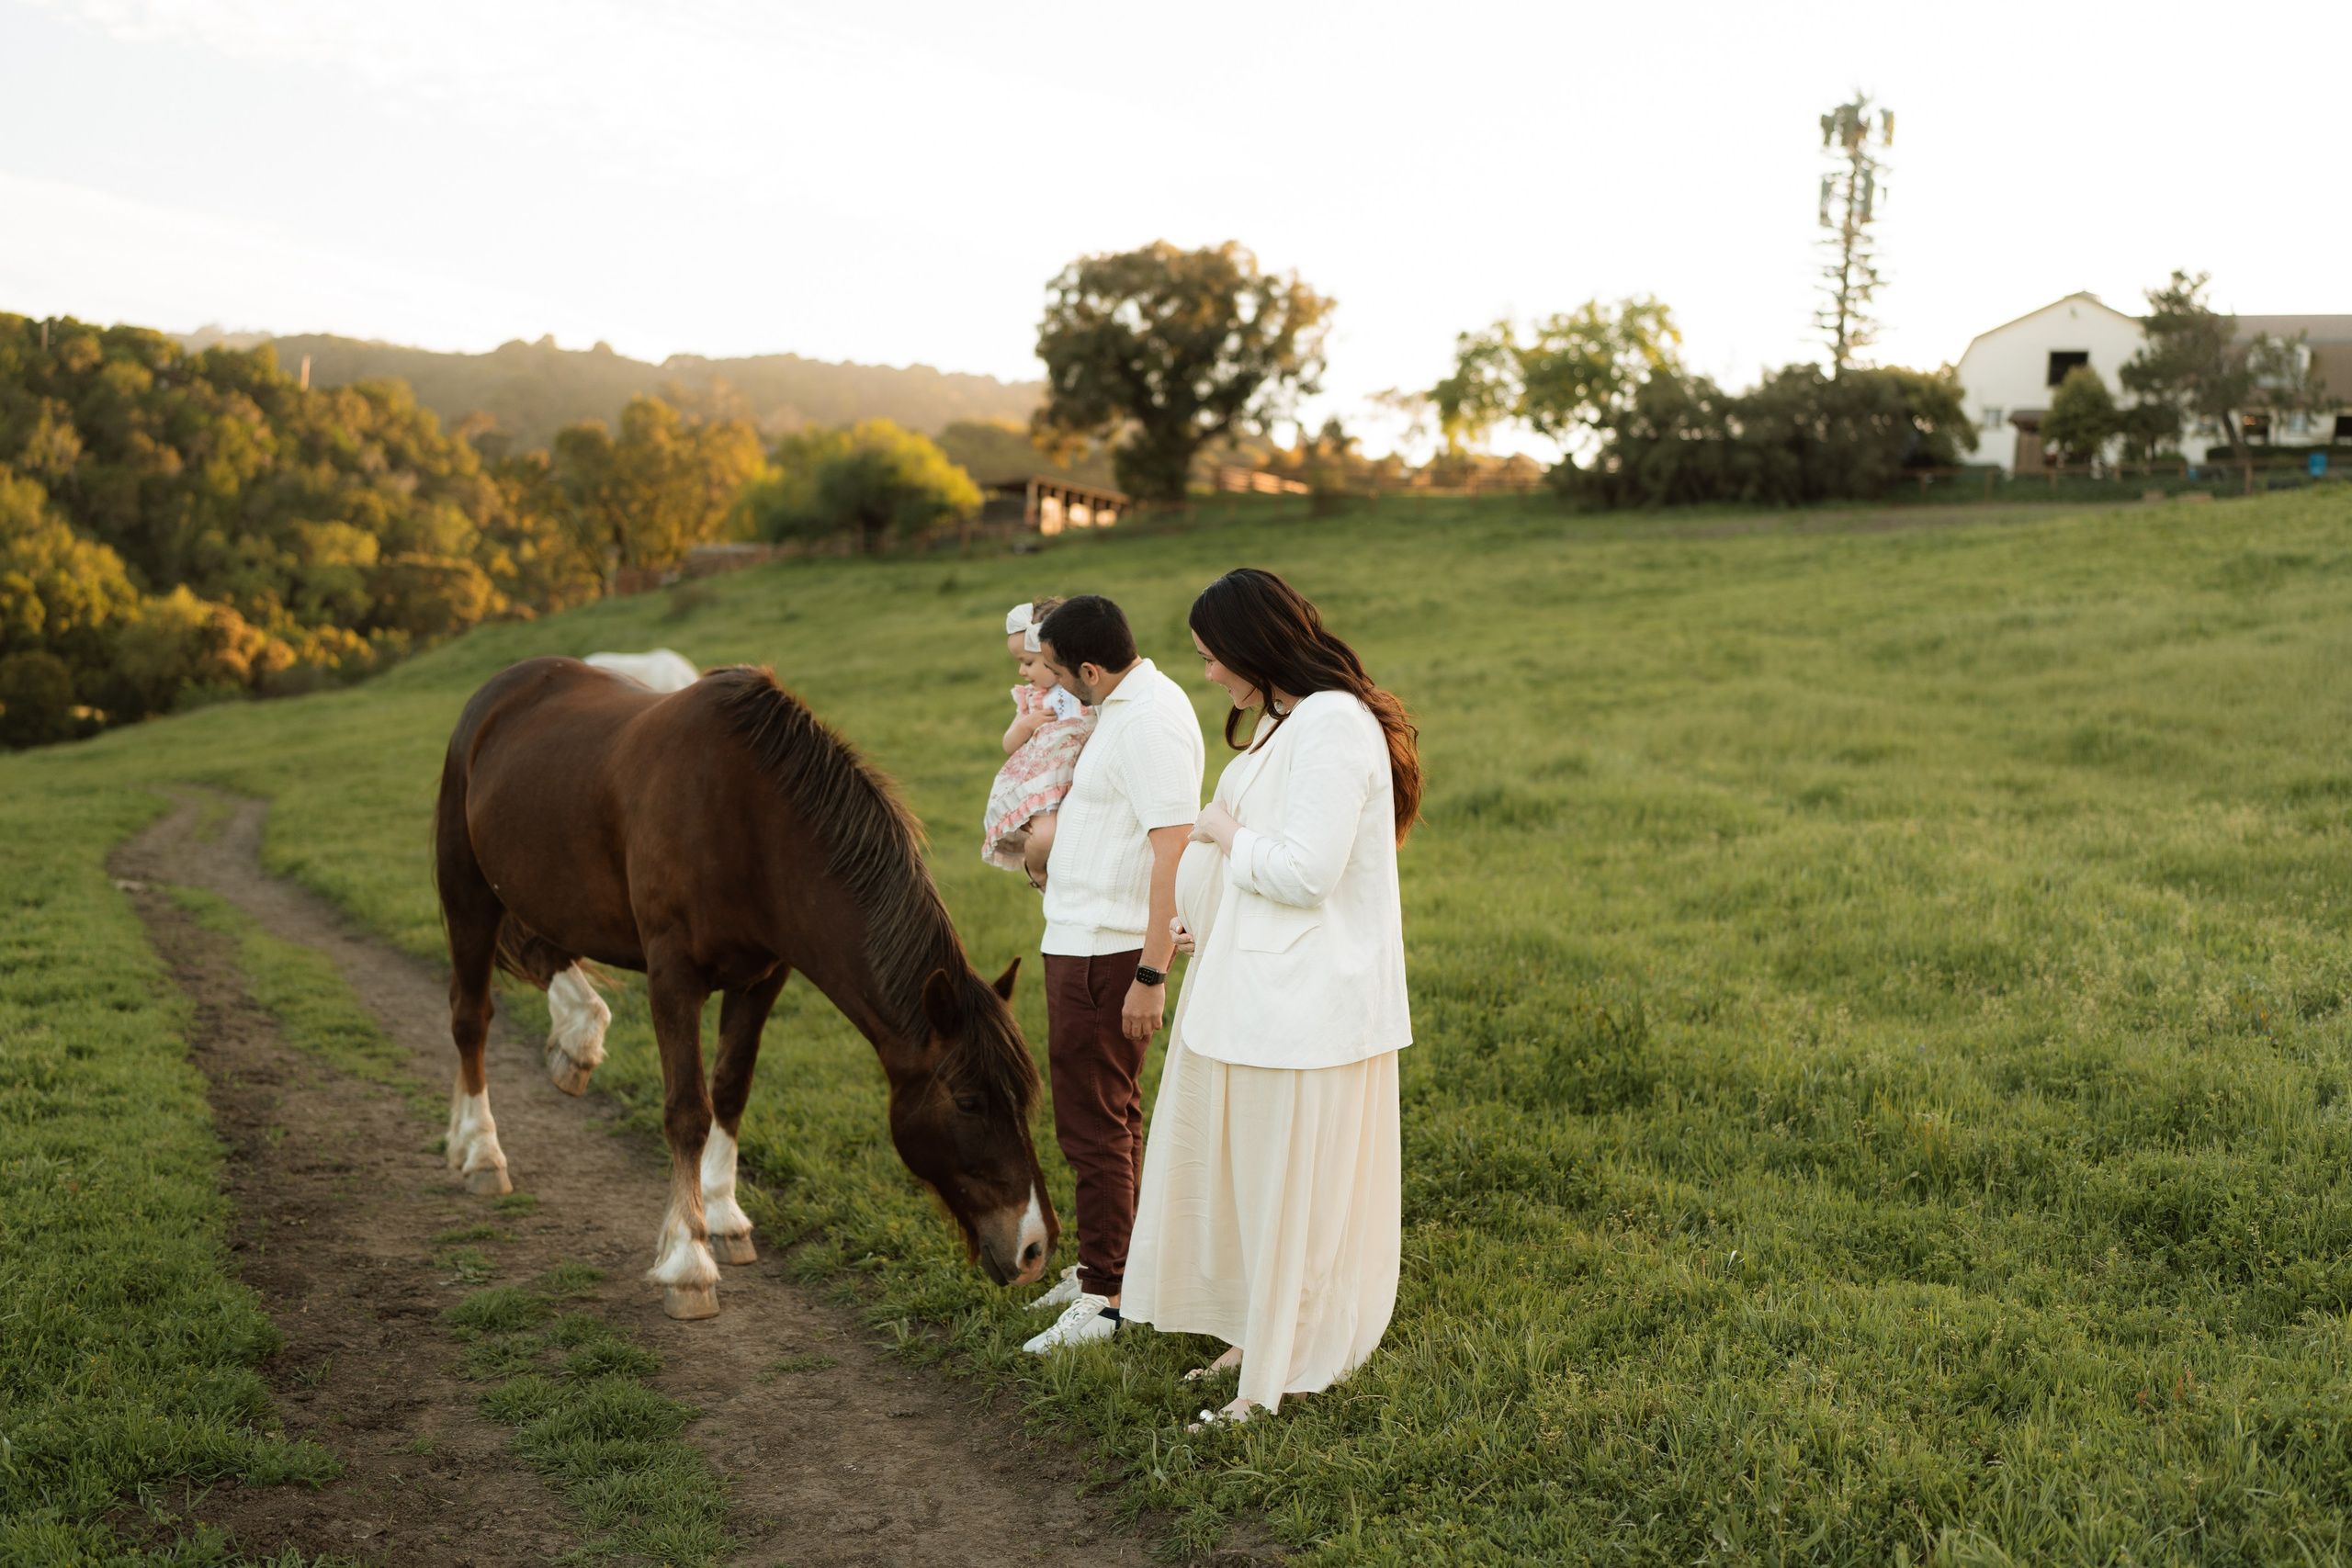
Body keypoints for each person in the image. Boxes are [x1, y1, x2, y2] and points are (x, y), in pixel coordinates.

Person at [1121, 568, 1420, 1425]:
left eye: (1215, 657)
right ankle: (1260, 1331)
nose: (1209, 674)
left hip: (1304, 1004)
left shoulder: (1332, 726)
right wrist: (1194, 914)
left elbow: (1305, 869)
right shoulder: (1285, 722)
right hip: (1249, 988)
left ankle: (1279, 1369)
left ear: (1254, 646)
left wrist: (1225, 836)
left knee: (1290, 1187)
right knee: (1252, 1181)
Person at [1020, 593, 1204, 1354]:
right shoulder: (1126, 708)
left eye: (1061, 674)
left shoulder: (1149, 722)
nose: (1057, 687)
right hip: (1084, 940)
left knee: (1093, 1123)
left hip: (1108, 952)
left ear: (1092, 668)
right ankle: (1113, 1264)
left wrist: (1151, 975)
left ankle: (1106, 1296)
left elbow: (1176, 848)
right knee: (1111, 1116)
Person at [982, 599, 1095, 890]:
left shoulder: (1087, 688)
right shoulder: (1033, 699)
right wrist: (1026, 724)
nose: (1022, 671)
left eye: (1028, 662)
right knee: (1045, 836)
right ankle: (1037, 873)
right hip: (1043, 786)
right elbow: (1009, 746)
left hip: (1081, 780)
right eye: (1020, 662)